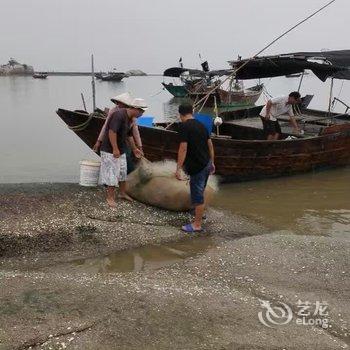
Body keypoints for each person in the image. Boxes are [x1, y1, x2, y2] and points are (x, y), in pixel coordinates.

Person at [100, 98, 147, 207]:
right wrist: (115, 148)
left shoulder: (131, 118)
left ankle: (122, 193)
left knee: (122, 172)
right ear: (135, 109)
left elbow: (129, 135)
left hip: (121, 149)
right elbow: (112, 132)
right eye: (141, 111)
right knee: (112, 173)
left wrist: (135, 148)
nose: (142, 114)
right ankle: (110, 197)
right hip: (109, 149)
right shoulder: (119, 115)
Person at [175, 103, 215, 233]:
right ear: (192, 112)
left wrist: (178, 168)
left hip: (197, 166)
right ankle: (198, 213)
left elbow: (183, 148)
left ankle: (197, 225)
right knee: (200, 191)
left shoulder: (184, 127)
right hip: (206, 164)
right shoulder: (202, 125)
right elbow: (210, 145)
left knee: (197, 196)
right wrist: (212, 162)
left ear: (180, 114)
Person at [93, 93, 143, 167]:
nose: (118, 104)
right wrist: (98, 141)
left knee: (127, 158)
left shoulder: (132, 115)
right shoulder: (114, 112)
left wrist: (139, 147)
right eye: (117, 103)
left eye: (120, 103)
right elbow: (107, 128)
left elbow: (134, 132)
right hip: (112, 143)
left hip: (123, 140)